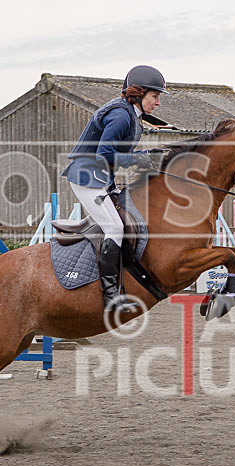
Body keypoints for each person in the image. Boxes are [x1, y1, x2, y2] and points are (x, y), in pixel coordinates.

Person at [62, 65, 168, 313]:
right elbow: (105, 155)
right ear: (139, 94)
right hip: (87, 177)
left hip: (101, 177)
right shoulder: (120, 115)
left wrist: (145, 156)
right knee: (115, 227)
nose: (158, 102)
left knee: (128, 220)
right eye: (155, 96)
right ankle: (110, 295)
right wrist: (141, 158)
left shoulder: (131, 114)